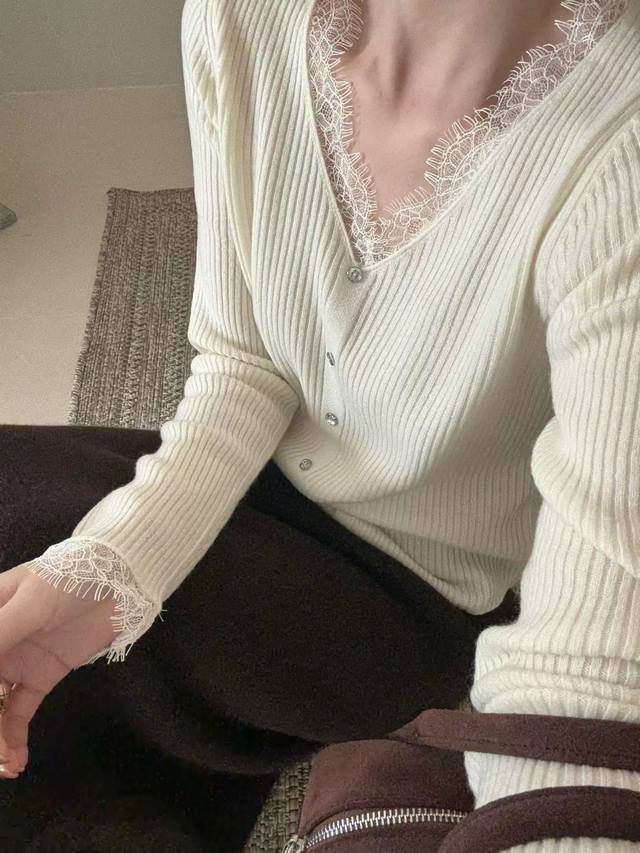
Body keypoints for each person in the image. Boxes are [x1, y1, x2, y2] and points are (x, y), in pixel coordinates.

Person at [1, 0, 639, 849]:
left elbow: (590, 662)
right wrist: (112, 563)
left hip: (413, 597)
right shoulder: (236, 21)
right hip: (256, 479)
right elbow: (243, 363)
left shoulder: (620, 145)